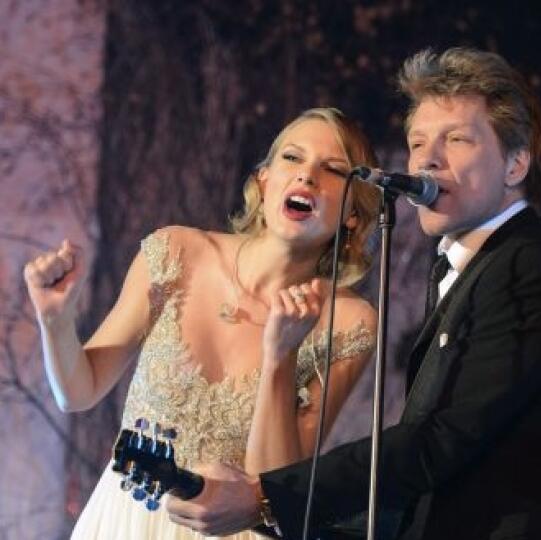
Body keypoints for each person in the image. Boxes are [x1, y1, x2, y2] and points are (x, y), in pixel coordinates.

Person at [165, 47, 541, 540]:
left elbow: (444, 440)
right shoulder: (469, 267)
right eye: (418, 142)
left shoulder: (530, 266)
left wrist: (267, 496)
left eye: (456, 139)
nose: (427, 159)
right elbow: (441, 476)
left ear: (515, 165)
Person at [23, 107, 381, 539]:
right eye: (292, 158)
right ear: (264, 181)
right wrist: (55, 320)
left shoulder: (349, 323)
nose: (306, 176)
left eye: (333, 169)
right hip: (124, 524)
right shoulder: (176, 253)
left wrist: (279, 357)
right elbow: (78, 392)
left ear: (352, 215)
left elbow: (279, 491)